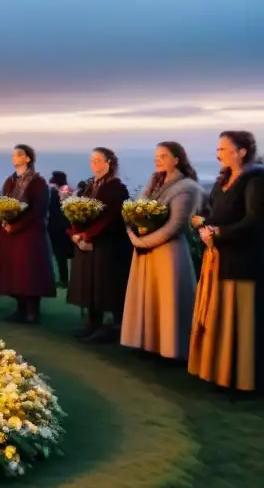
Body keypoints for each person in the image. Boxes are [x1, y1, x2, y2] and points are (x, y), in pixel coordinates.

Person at [189, 130, 264, 394]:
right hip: (217, 258)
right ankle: (218, 371)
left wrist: (219, 233)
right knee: (219, 316)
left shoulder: (255, 179)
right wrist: (205, 225)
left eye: (222, 149)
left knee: (239, 320)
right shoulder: (223, 180)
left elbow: (254, 220)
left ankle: (241, 380)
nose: (218, 153)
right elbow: (215, 214)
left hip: (242, 260)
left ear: (241, 151)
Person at [120, 142, 201, 360]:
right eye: (157, 155)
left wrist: (142, 242)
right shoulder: (154, 182)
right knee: (149, 299)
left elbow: (175, 225)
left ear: (177, 159)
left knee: (168, 300)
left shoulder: (186, 187)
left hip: (168, 253)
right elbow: (136, 210)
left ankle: (172, 350)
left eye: (164, 156)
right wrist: (134, 233)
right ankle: (148, 344)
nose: (158, 159)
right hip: (146, 250)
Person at [66, 147, 132, 342]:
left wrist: (88, 235)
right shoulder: (88, 185)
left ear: (108, 162)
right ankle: (92, 323)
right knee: (89, 285)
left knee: (104, 286)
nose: (93, 164)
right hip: (86, 243)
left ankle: (110, 327)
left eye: (97, 160)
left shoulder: (116, 187)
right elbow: (75, 210)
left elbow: (111, 217)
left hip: (107, 242)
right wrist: (76, 234)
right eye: (92, 160)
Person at [0, 145, 56, 323]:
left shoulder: (38, 182)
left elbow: (38, 210)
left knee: (29, 273)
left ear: (27, 159)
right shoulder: (10, 181)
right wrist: (4, 221)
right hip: (11, 234)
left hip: (30, 234)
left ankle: (32, 310)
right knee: (14, 272)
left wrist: (17, 226)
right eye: (13, 155)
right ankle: (20, 308)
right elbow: (3, 203)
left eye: (19, 155)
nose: (15, 158)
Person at [47, 171, 73, 287]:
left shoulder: (54, 192)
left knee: (58, 254)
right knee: (60, 255)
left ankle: (62, 279)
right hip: (62, 226)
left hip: (55, 226)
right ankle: (63, 279)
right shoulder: (66, 190)